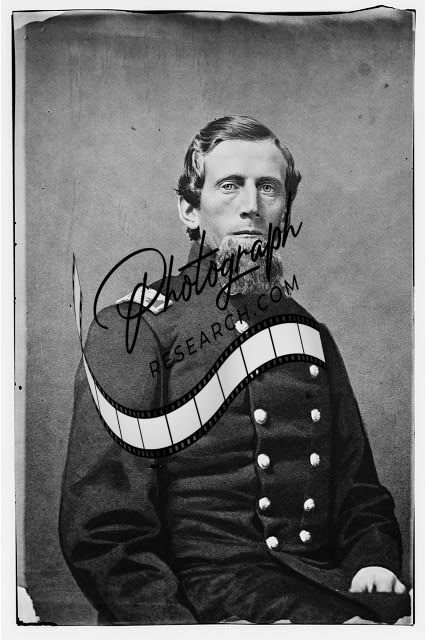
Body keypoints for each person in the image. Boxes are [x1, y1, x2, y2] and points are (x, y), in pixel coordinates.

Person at [59, 115, 410, 624]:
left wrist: (372, 560)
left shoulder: (308, 334)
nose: (251, 206)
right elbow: (105, 533)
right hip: (203, 609)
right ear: (189, 209)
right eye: (230, 186)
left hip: (320, 589)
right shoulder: (134, 331)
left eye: (268, 187)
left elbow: (359, 495)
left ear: (285, 209)